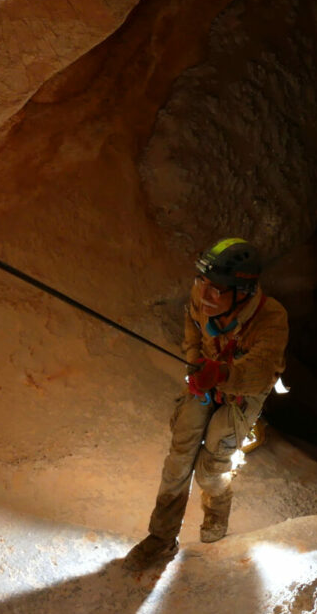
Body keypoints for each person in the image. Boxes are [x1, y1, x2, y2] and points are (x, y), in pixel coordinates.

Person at [123, 237, 289, 572]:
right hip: (208, 375)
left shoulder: (271, 317)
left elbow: (259, 373)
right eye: (202, 283)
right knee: (179, 455)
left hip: (242, 390)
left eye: (216, 289)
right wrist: (194, 366)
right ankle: (161, 537)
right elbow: (193, 333)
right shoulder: (203, 298)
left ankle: (216, 514)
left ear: (241, 291)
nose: (204, 294)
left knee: (212, 466)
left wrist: (220, 374)